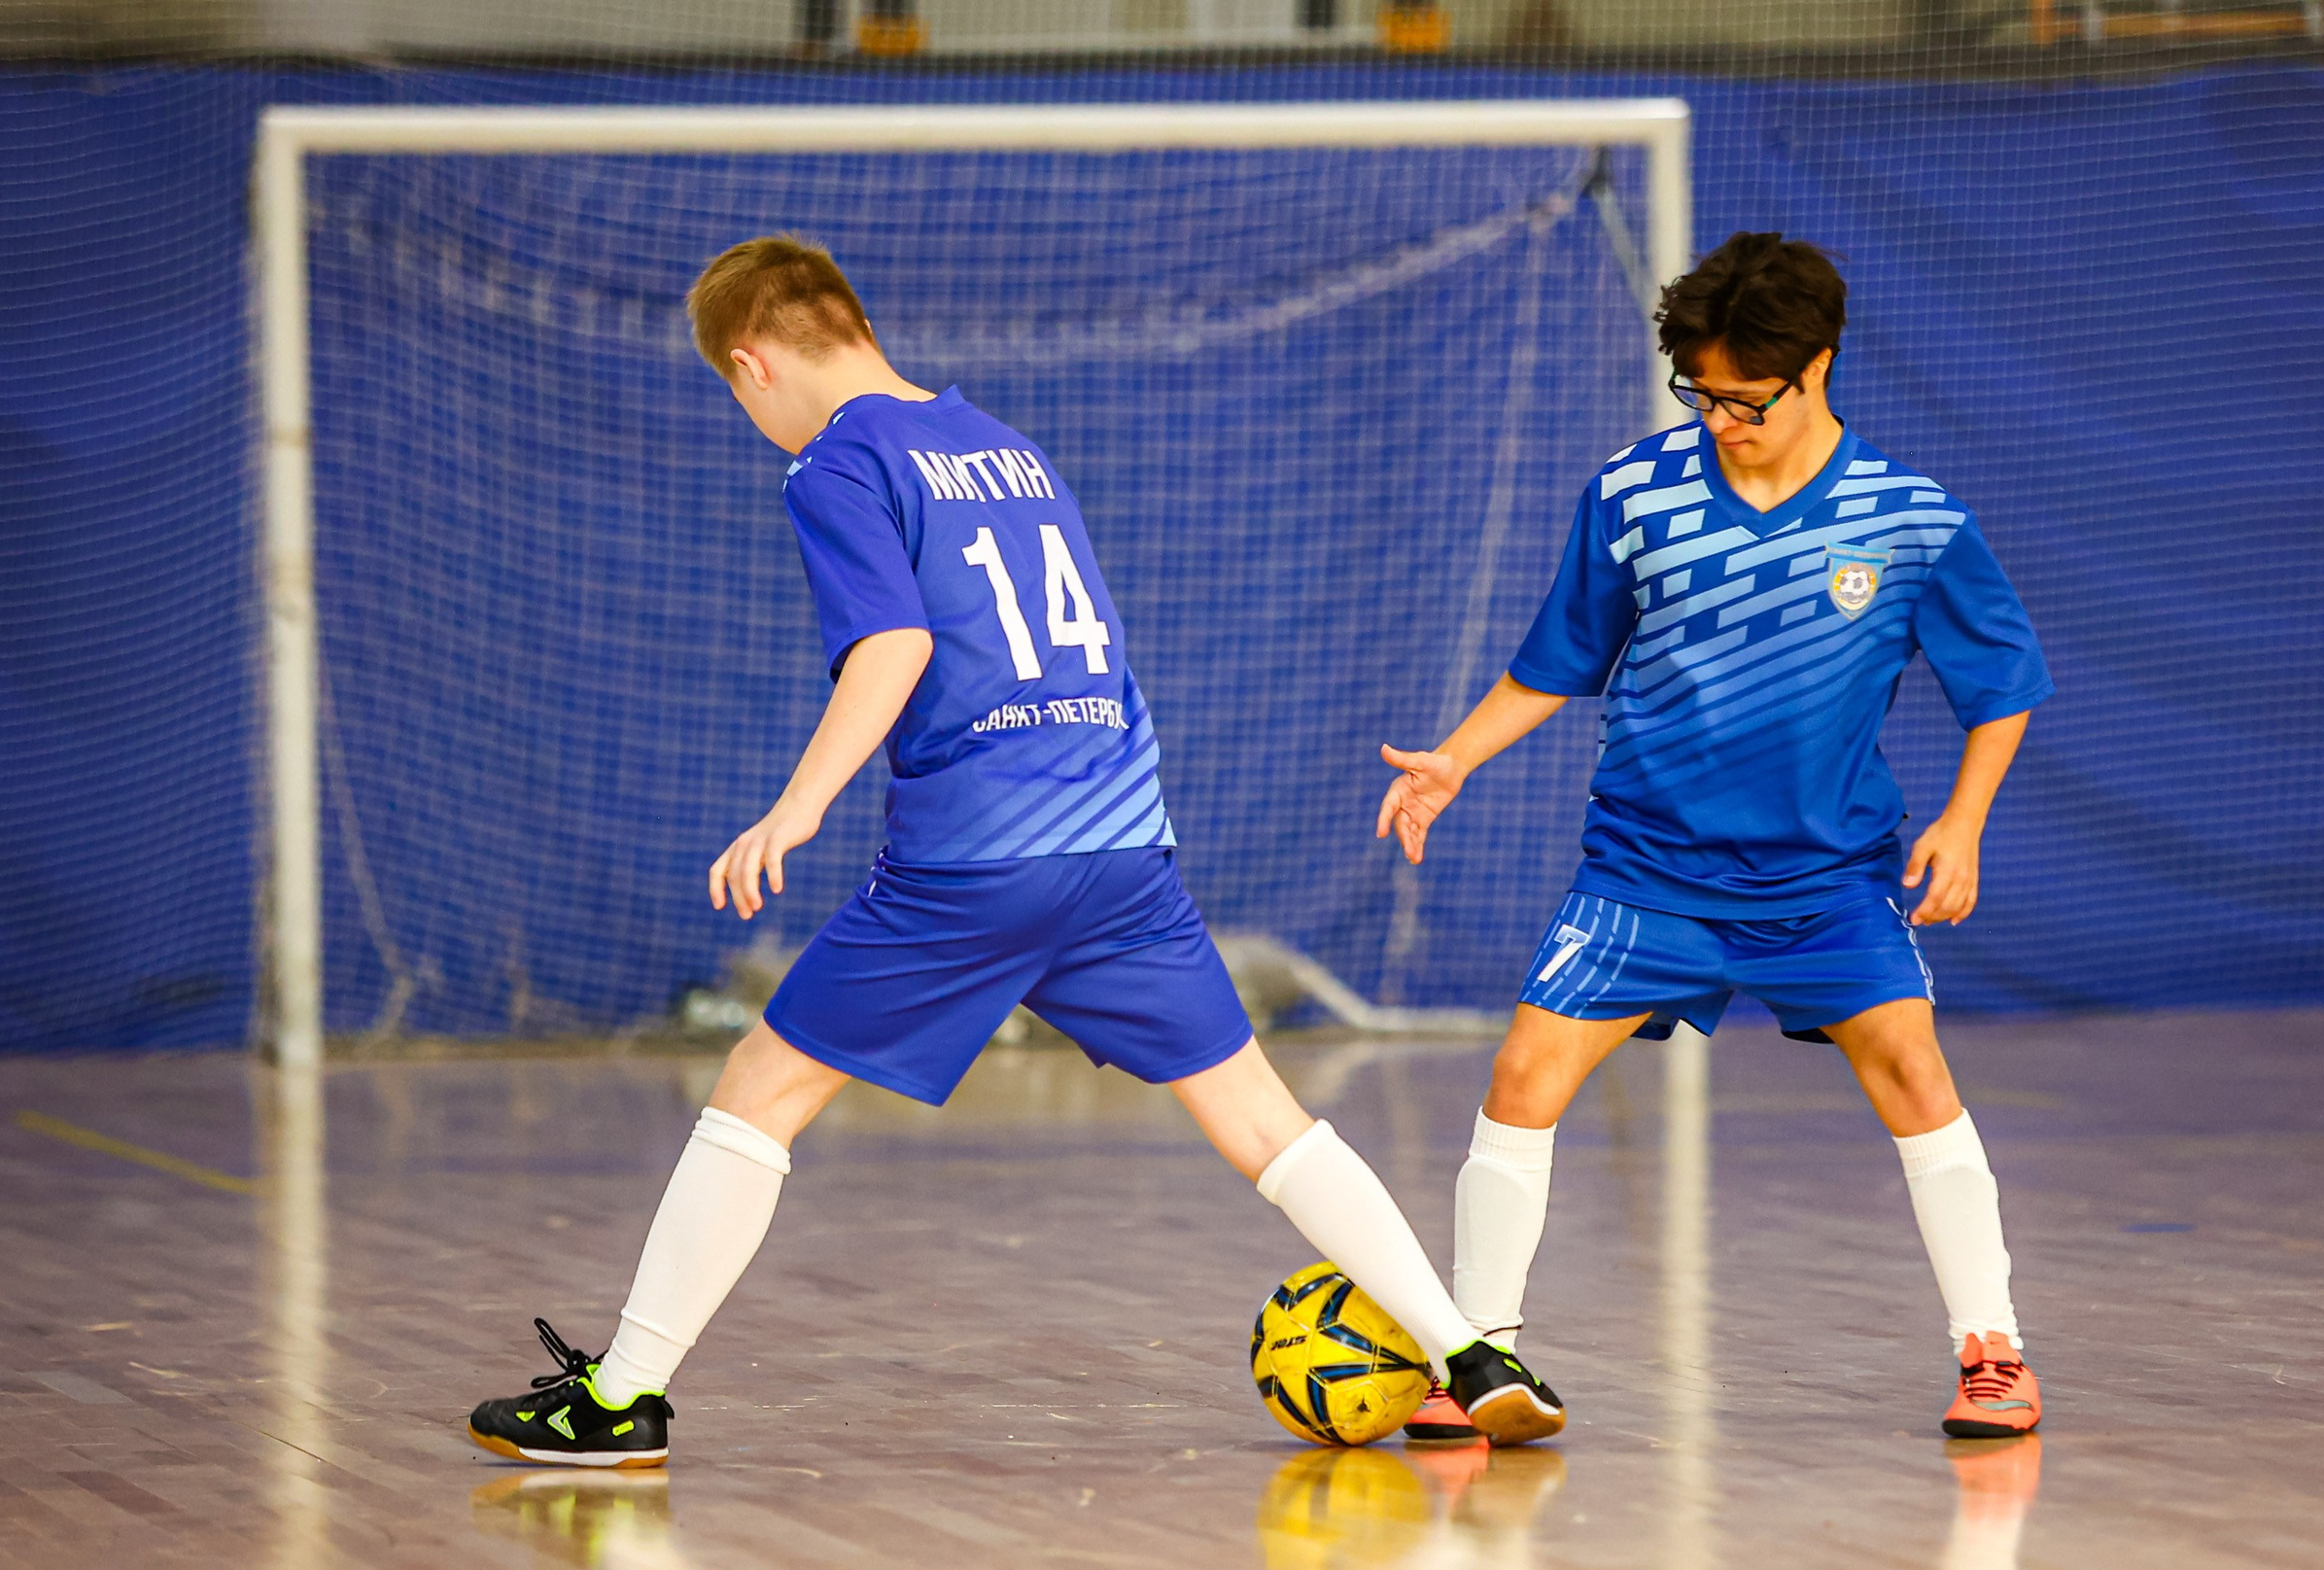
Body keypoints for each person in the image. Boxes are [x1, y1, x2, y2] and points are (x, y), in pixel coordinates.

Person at [468, 235, 1563, 1467]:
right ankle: (1468, 1354)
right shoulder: (1006, 446)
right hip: (1121, 839)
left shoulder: (838, 463)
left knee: (758, 1091)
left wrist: (798, 805)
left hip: (980, 855)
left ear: (751, 365)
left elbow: (895, 648)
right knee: (1262, 1116)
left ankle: (621, 1399)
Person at [1379, 232, 2051, 1443]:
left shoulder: (1910, 521)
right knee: (1522, 1076)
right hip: (1648, 872)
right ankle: (1477, 1360)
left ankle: (1991, 1351)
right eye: (1699, 394)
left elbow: (2000, 685)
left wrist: (1963, 822)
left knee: (1914, 1073)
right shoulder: (1631, 493)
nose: (1720, 419)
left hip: (1826, 880)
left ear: (1817, 367)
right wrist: (1454, 758)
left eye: (1745, 399)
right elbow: (1556, 662)